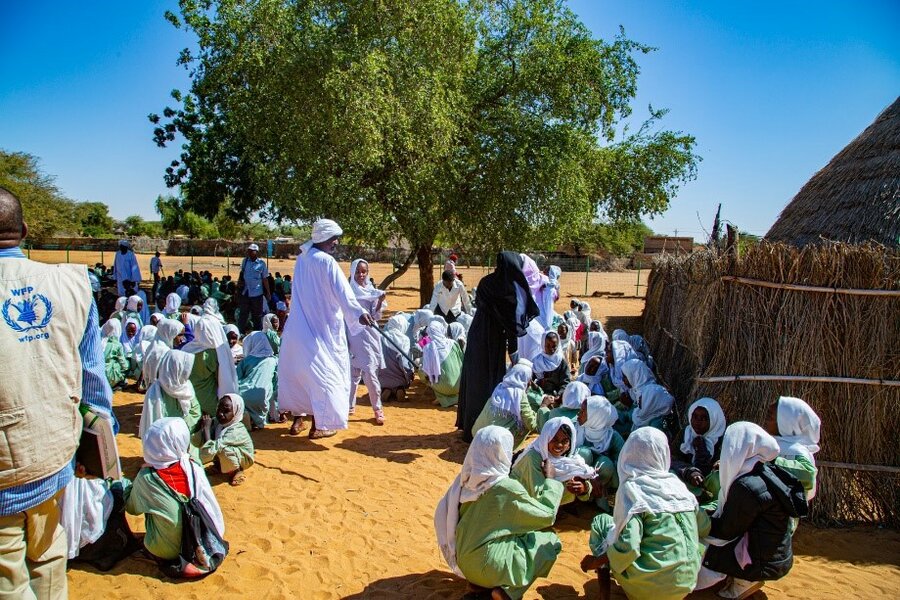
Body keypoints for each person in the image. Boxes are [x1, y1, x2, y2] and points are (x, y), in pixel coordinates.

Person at [0, 185, 116, 599]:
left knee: (8, 578)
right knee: (49, 559)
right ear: (26, 230)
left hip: (6, 472)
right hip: (55, 454)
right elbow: (93, 382)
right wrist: (98, 442)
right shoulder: (72, 283)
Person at [434, 426, 564, 600]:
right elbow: (547, 516)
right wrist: (551, 480)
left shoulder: (465, 479)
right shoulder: (505, 487)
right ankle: (508, 593)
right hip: (487, 565)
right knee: (550, 541)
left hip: (464, 563)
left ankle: (480, 584)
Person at [581, 427, 708, 600]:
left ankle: (605, 594)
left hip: (649, 586)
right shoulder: (680, 489)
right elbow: (704, 527)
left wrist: (597, 561)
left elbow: (630, 546)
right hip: (686, 584)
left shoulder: (633, 490)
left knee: (602, 523)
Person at [278, 219, 373, 439]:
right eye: (333, 238)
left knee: (303, 377)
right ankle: (320, 426)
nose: (336, 242)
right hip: (322, 331)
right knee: (326, 378)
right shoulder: (326, 262)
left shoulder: (302, 259)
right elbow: (344, 294)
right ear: (322, 238)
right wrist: (359, 313)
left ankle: (298, 422)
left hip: (298, 330)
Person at [699, 422, 807, 599]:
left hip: (762, 561)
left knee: (701, 543)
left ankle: (744, 580)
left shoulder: (746, 486)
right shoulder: (765, 470)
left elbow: (727, 530)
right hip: (774, 554)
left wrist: (699, 519)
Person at [125, 417, 225, 578]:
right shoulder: (193, 465)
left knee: (147, 506)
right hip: (206, 535)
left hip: (169, 550)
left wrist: (128, 485)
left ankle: (158, 552)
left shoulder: (147, 478)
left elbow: (131, 507)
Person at [457, 252, 539, 442]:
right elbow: (511, 324)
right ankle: (485, 428)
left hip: (478, 334)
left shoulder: (486, 283)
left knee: (475, 379)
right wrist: (514, 354)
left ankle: (470, 426)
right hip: (494, 340)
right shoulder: (510, 290)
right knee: (490, 381)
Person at [511, 417, 597, 506]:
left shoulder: (570, 459)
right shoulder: (534, 457)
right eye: (554, 439)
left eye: (565, 441)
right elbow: (538, 500)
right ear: (546, 438)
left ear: (570, 444)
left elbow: (584, 489)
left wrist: (584, 488)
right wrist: (552, 479)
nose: (559, 445)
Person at [346, 258, 387, 424]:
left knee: (370, 372)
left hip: (370, 336)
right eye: (358, 272)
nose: (361, 275)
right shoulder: (348, 293)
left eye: (364, 272)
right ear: (352, 272)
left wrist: (380, 302)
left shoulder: (371, 291)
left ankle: (377, 409)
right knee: (353, 373)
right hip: (354, 335)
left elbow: (375, 316)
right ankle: (349, 406)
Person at [472, 362, 548, 449]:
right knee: (525, 422)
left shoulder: (500, 387)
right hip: (495, 444)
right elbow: (532, 424)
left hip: (478, 436)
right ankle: (508, 449)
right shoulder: (519, 395)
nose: (530, 383)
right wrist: (543, 406)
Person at [139, 350, 203, 453]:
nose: (187, 373)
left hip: (183, 437)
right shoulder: (154, 392)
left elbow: (195, 412)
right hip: (161, 443)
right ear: (175, 369)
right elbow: (152, 424)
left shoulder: (186, 386)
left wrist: (180, 427)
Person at [765, 396, 820, 501]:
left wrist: (765, 461)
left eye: (770, 417)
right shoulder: (767, 442)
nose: (766, 420)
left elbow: (807, 478)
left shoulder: (797, 451)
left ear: (785, 423)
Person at [181, 317, 240, 416]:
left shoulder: (186, 350)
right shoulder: (217, 352)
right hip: (209, 403)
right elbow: (222, 380)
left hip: (188, 400)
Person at [673, 397, 726, 504]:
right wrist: (689, 472)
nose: (697, 421)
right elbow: (673, 457)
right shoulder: (686, 434)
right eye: (695, 416)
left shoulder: (723, 439)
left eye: (704, 418)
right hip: (688, 480)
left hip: (711, 484)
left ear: (714, 420)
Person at [575, 395, 625, 504]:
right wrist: (590, 475)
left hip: (600, 478)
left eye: (583, 412)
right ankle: (579, 493)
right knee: (583, 453)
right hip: (577, 474)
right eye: (580, 410)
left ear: (596, 417)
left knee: (606, 465)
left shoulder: (611, 436)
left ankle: (594, 496)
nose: (579, 414)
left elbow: (623, 460)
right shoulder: (575, 428)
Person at [199, 394, 254, 486]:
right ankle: (219, 466)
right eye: (219, 409)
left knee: (223, 449)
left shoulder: (236, 430)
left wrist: (206, 429)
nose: (220, 413)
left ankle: (237, 471)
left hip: (243, 459)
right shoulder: (219, 423)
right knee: (212, 442)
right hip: (223, 452)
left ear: (236, 412)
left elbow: (212, 449)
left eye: (226, 411)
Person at [237, 331, 280, 429]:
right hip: (262, 399)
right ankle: (257, 420)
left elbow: (236, 379)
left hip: (243, 395)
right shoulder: (274, 361)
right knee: (269, 390)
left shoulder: (246, 360)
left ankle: (246, 417)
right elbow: (276, 385)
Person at [419, 320, 464, 408]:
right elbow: (462, 361)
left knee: (422, 370)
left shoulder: (428, 347)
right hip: (460, 385)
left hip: (443, 387)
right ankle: (456, 397)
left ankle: (443, 398)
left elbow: (426, 371)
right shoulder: (453, 343)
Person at [377, 314, 415, 403]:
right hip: (399, 375)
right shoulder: (404, 339)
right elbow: (404, 362)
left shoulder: (380, 336)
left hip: (382, 375)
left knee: (385, 372)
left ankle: (386, 389)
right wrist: (410, 373)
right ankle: (399, 388)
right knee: (404, 374)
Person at [141, 319, 186, 389]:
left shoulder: (153, 347)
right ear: (169, 333)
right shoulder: (163, 352)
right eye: (179, 335)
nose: (182, 339)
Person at [237, 243, 271, 333]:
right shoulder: (245, 261)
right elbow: (242, 274)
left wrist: (268, 292)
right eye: (249, 250)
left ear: (256, 252)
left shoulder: (261, 264)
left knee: (257, 314)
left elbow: (265, 279)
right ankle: (240, 332)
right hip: (246, 291)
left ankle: (257, 333)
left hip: (257, 293)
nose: (250, 252)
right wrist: (238, 288)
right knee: (243, 313)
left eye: (252, 251)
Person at [532, 331, 570, 398]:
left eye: (554, 346)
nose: (551, 349)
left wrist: (559, 394)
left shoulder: (561, 361)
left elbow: (566, 382)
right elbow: (531, 378)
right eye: (548, 346)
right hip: (537, 394)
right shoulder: (537, 361)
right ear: (543, 344)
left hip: (555, 395)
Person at [101, 319, 129, 389]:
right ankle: (118, 382)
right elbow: (124, 365)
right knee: (126, 363)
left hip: (98, 374)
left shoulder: (100, 341)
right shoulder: (117, 345)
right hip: (109, 376)